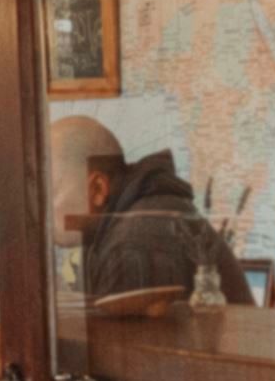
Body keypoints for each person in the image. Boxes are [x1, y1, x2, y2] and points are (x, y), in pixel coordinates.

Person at [49, 116, 253, 304]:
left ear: (98, 189)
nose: (40, 211)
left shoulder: (134, 244)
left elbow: (120, 342)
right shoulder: (130, 222)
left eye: (49, 193)